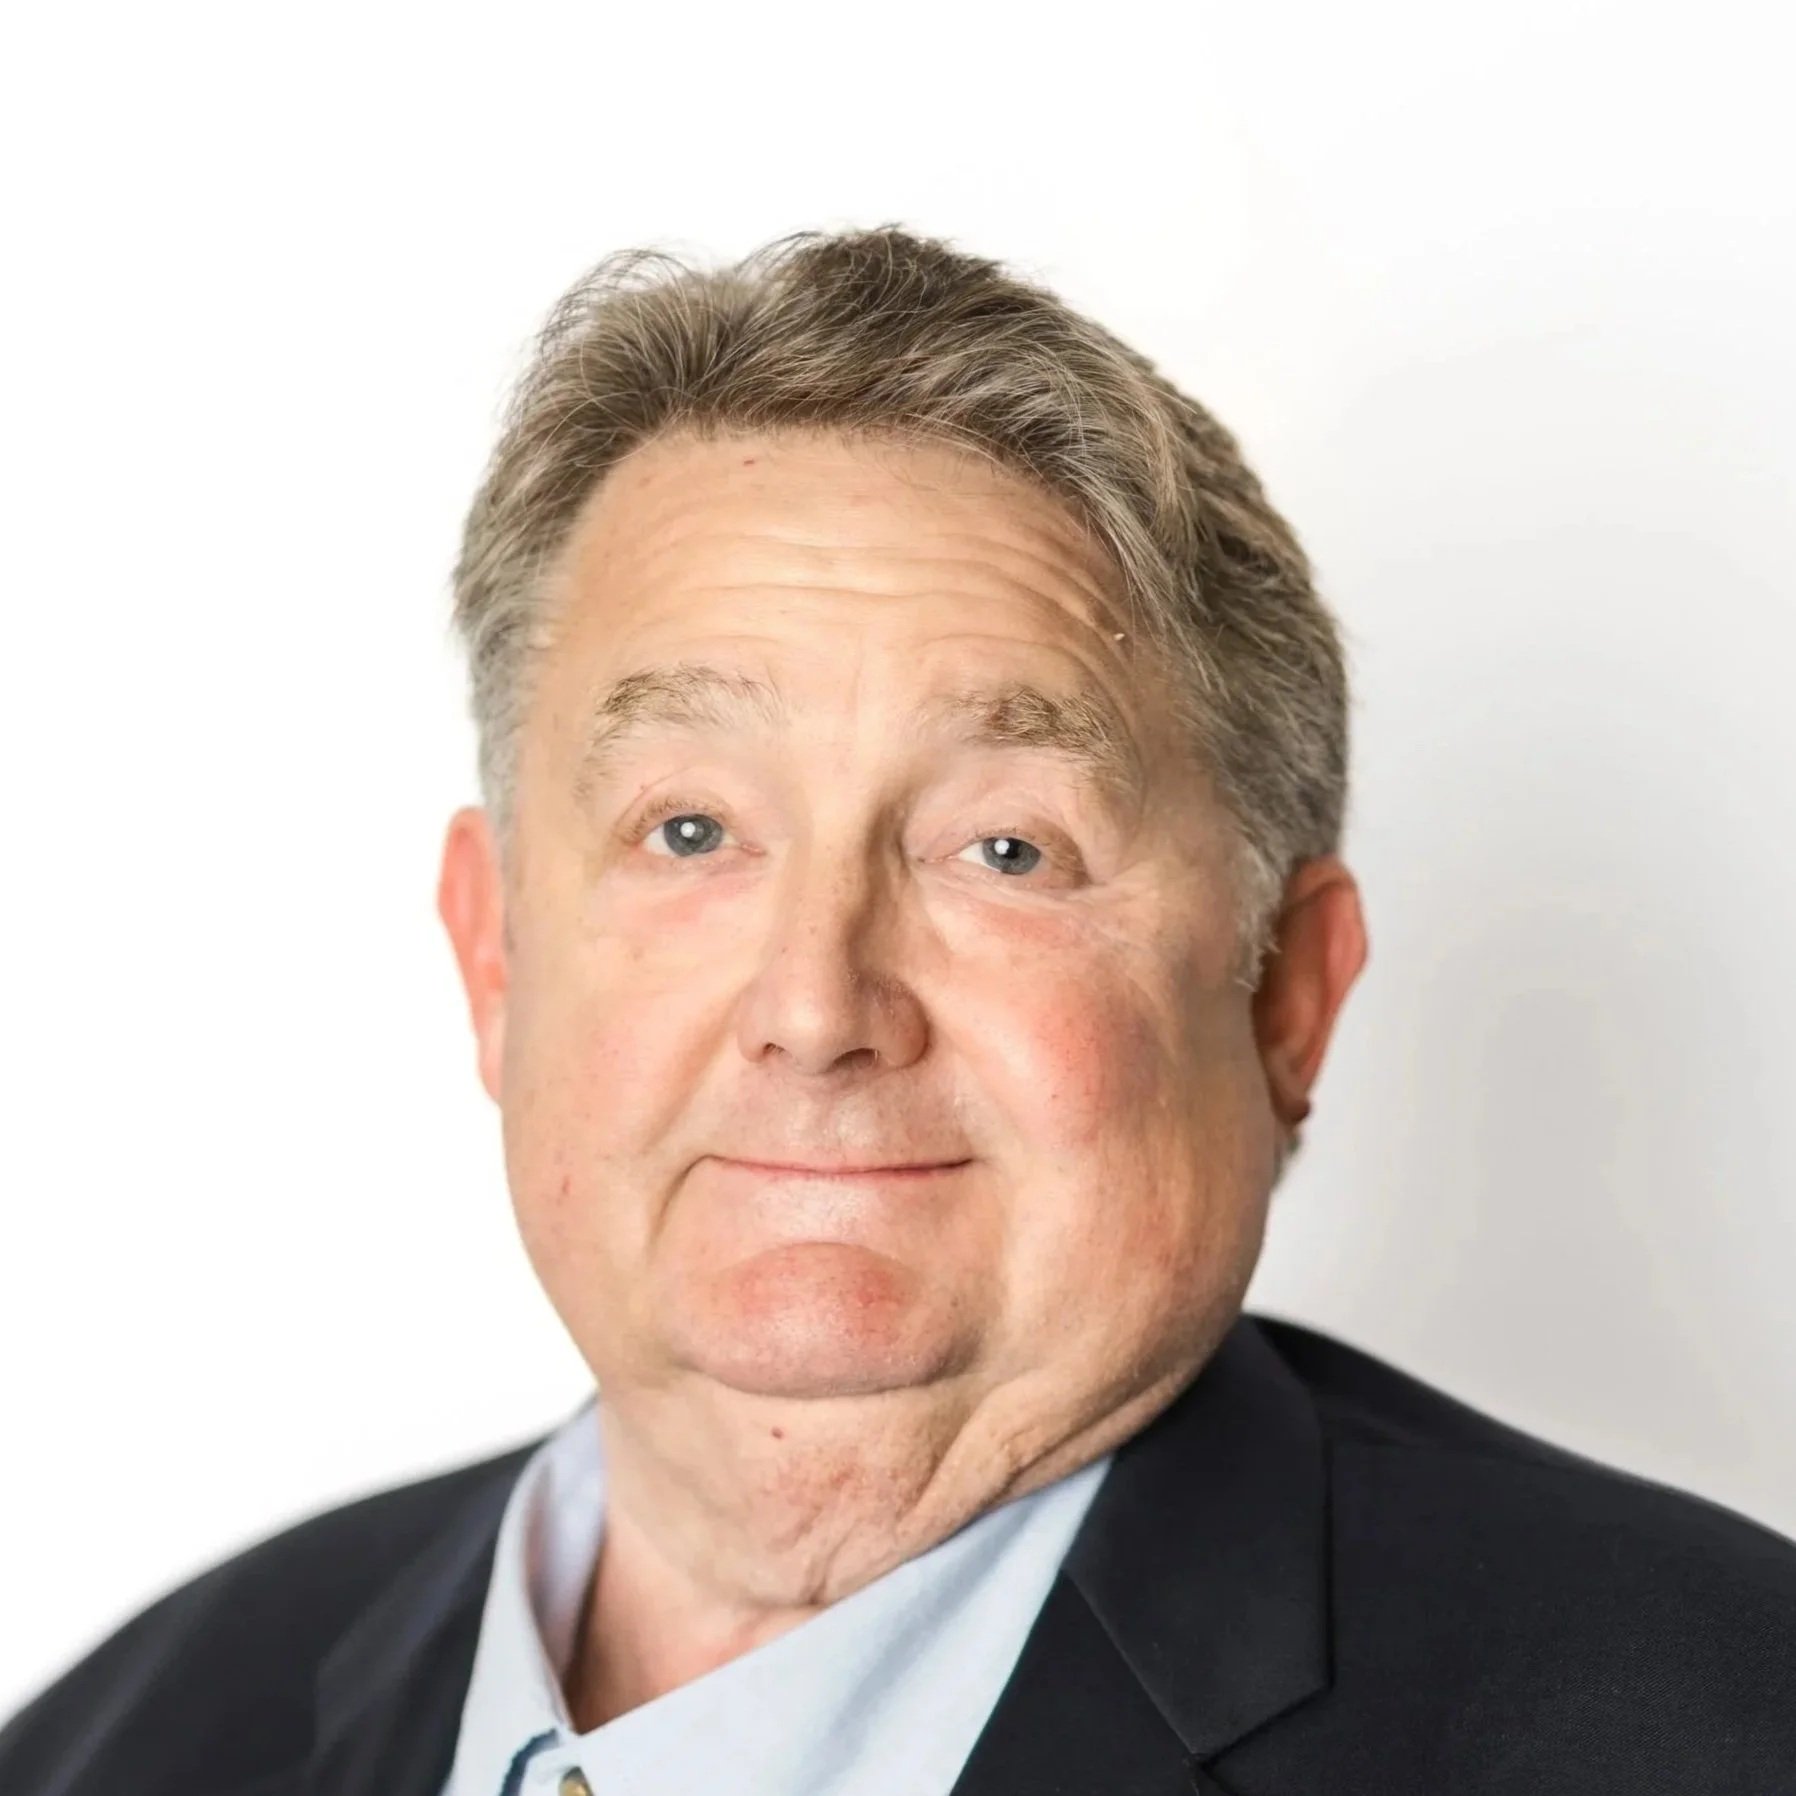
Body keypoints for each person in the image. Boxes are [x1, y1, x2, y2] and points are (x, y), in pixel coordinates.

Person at [3, 224, 1791, 1796]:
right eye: (690, 829)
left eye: (1005, 846)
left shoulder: (1711, 1731)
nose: (815, 1005)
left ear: (1284, 1003)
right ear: (497, 958)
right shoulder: (121, 1744)